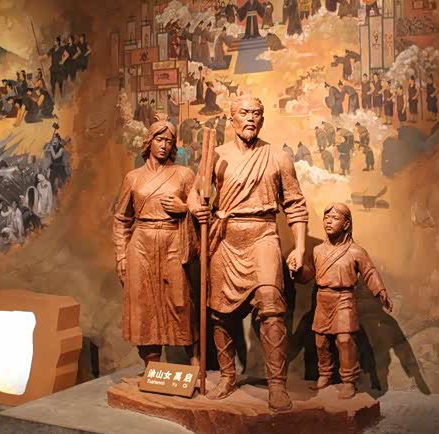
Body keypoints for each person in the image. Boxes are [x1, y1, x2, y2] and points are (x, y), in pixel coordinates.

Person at [188, 95, 308, 412]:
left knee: (271, 304)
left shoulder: (278, 157)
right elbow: (194, 193)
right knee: (219, 313)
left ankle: (277, 385)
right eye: (244, 113)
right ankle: (228, 376)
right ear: (233, 119)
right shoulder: (216, 155)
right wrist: (198, 207)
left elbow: (295, 205)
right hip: (225, 237)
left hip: (263, 234)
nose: (251, 118)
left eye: (256, 113)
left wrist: (299, 247)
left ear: (263, 120)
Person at [114, 120, 199, 373]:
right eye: (159, 140)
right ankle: (152, 366)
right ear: (149, 142)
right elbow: (122, 219)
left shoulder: (184, 174)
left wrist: (184, 209)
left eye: (169, 141)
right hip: (141, 243)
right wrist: (121, 256)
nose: (164, 145)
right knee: (144, 304)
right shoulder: (133, 178)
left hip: (173, 239)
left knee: (180, 301)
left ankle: (195, 362)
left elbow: (202, 211)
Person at [294, 203, 392, 399]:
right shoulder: (318, 251)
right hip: (323, 299)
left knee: (345, 341)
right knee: (320, 341)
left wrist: (380, 290)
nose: (328, 222)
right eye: (326, 218)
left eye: (335, 218)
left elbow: (369, 272)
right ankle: (325, 374)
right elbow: (309, 274)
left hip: (344, 298)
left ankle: (348, 380)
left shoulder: (356, 251)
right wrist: (297, 270)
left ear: (346, 224)